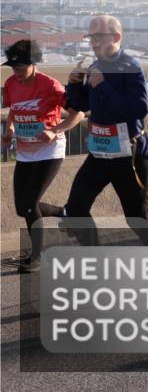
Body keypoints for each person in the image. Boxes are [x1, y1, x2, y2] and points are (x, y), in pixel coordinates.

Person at [63, 16, 148, 296]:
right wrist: (74, 85)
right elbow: (81, 105)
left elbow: (138, 108)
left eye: (99, 37)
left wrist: (103, 85)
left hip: (129, 154)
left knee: (136, 217)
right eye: (91, 37)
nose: (94, 43)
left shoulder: (130, 67)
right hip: (99, 153)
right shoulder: (93, 67)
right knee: (76, 208)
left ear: (116, 37)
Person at [2, 40, 83, 272]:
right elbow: (14, 111)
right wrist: (10, 130)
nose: (16, 74)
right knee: (22, 207)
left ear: (33, 64)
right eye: (13, 69)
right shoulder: (10, 84)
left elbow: (77, 114)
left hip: (50, 151)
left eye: (21, 68)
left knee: (29, 205)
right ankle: (64, 213)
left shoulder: (51, 85)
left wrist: (56, 130)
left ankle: (39, 256)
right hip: (25, 152)